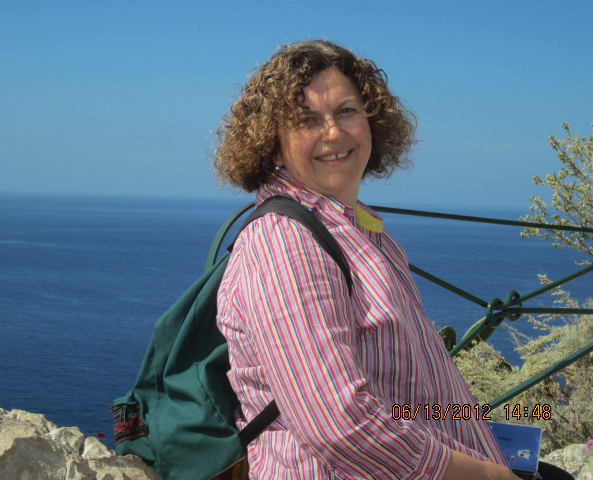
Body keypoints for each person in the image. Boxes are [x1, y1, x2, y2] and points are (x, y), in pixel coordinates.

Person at [214, 39, 518, 479]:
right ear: (273, 144)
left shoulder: (359, 228)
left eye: (346, 111)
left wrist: (481, 432)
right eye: (307, 120)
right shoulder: (286, 243)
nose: (333, 133)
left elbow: (406, 393)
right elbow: (336, 424)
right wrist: (487, 476)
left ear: (371, 120)